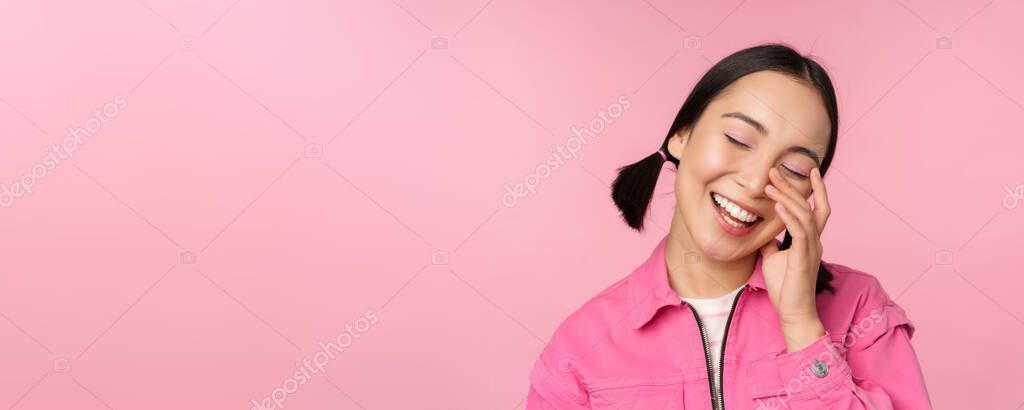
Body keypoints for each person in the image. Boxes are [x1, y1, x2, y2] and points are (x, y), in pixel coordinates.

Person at [525, 43, 932, 409]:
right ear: (681, 136)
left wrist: (802, 325)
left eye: (792, 168)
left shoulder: (862, 312)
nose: (756, 183)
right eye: (739, 139)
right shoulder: (578, 354)